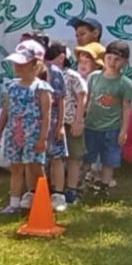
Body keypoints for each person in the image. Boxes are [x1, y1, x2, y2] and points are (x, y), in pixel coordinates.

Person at [0, 40, 53, 214]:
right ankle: (14, 203)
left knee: (35, 166)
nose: (17, 66)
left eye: (23, 63)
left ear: (35, 64)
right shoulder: (11, 86)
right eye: (16, 63)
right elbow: (6, 110)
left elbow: (46, 115)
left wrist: (43, 138)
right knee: (16, 167)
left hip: (33, 134)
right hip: (14, 133)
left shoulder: (41, 88)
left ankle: (44, 199)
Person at [82, 40, 132, 194]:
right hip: (91, 125)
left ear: (125, 62)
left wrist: (123, 131)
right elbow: (87, 99)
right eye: (109, 58)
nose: (112, 62)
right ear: (103, 58)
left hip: (112, 128)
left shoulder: (125, 84)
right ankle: (80, 184)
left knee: (109, 160)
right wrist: (81, 118)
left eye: (117, 59)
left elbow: (126, 108)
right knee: (86, 157)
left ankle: (104, 186)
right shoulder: (94, 77)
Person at [44, 41, 84, 211]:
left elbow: (82, 97)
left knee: (74, 157)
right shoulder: (46, 75)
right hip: (53, 123)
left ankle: (71, 190)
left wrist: (78, 120)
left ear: (61, 58)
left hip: (70, 122)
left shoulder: (72, 75)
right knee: (56, 158)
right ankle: (55, 188)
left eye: (49, 58)